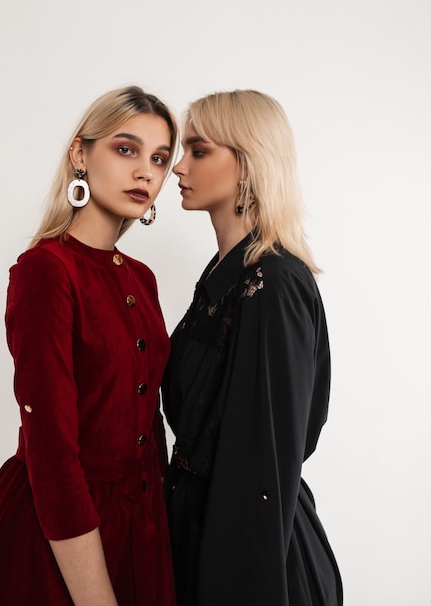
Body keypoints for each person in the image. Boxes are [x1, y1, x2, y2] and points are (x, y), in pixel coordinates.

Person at [0, 86, 178, 606]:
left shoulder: (142, 279)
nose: (146, 171)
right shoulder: (45, 271)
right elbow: (52, 451)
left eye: (160, 158)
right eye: (126, 149)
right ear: (80, 154)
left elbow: (151, 425)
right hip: (55, 541)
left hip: (143, 535)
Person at [163, 90, 343, 606]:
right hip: (199, 531)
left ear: (247, 165)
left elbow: (266, 460)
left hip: (248, 555)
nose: (178, 167)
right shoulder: (226, 274)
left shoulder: (274, 282)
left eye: (198, 151)